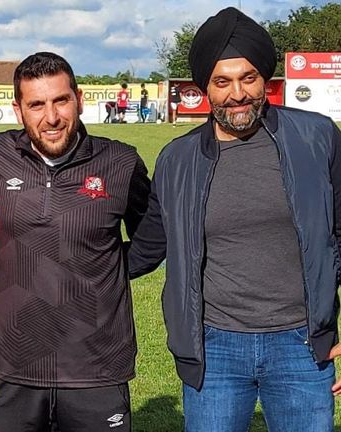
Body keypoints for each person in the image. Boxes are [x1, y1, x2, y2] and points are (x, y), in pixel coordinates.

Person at [128, 7, 341, 432]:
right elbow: (147, 249)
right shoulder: (178, 159)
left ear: (265, 78)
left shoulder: (317, 138)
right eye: (222, 82)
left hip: (302, 343)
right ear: (205, 87)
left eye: (249, 78)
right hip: (214, 348)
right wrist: (68, 261)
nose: (237, 94)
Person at [0, 52, 150, 432]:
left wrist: (103, 270)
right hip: (16, 362)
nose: (51, 117)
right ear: (18, 110)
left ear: (78, 99)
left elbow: (152, 236)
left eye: (60, 101)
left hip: (96, 365)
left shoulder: (120, 162)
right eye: (36, 104)